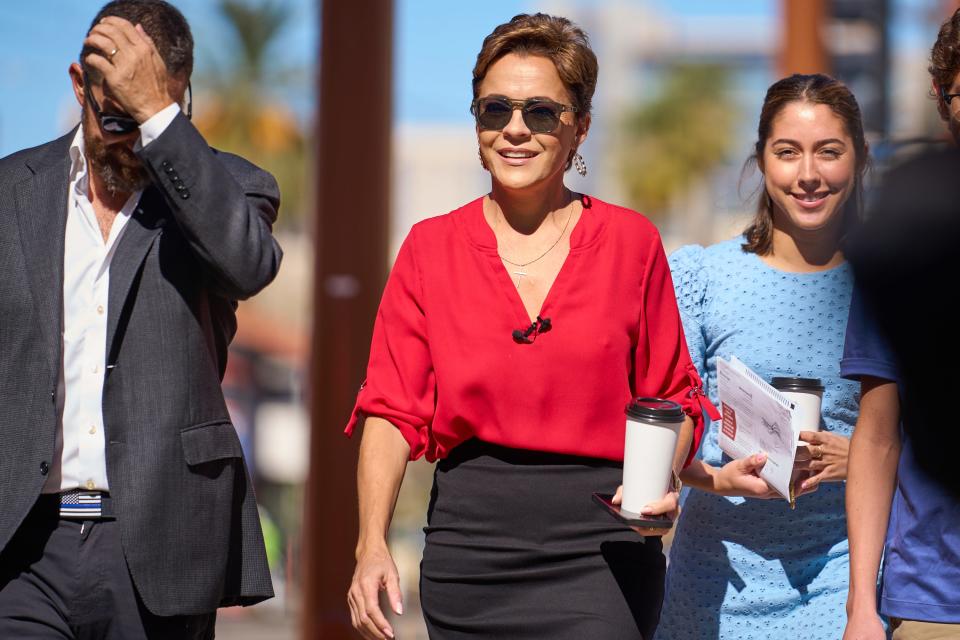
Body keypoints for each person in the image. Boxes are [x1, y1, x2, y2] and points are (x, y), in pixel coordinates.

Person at [345, 13, 709, 640]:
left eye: (541, 112)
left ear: (580, 128)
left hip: (604, 550)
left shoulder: (632, 243)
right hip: (469, 557)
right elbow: (391, 410)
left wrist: (660, 488)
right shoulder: (428, 250)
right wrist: (370, 544)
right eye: (494, 110)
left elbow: (674, 397)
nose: (515, 130)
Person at [0, 1, 282, 638]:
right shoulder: (11, 190)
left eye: (156, 114)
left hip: (160, 540)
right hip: (22, 545)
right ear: (81, 86)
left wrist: (159, 120)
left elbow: (249, 265)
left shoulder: (231, 188)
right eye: (117, 116)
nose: (131, 141)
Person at [655, 74, 868, 639]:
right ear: (761, 160)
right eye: (787, 152)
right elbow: (669, 418)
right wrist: (717, 479)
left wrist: (862, 456)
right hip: (712, 578)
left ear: (860, 158)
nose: (808, 175)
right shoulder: (702, 276)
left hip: (844, 576)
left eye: (829, 151)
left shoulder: (893, 284)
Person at [841, 12, 960, 638]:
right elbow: (879, 432)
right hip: (935, 597)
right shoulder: (909, 238)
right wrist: (863, 603)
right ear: (944, 98)